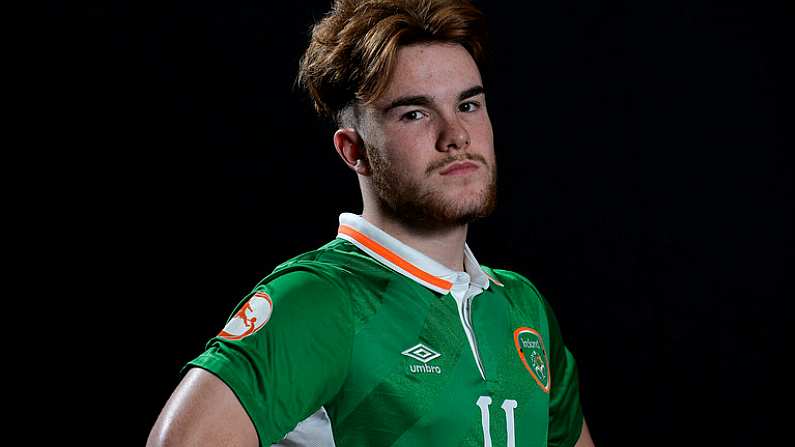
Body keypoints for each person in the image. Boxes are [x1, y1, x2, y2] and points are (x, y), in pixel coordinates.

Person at [147, 1, 595, 446]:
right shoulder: (320, 299)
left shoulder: (523, 308)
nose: (456, 134)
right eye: (415, 113)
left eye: (469, 105)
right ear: (354, 150)